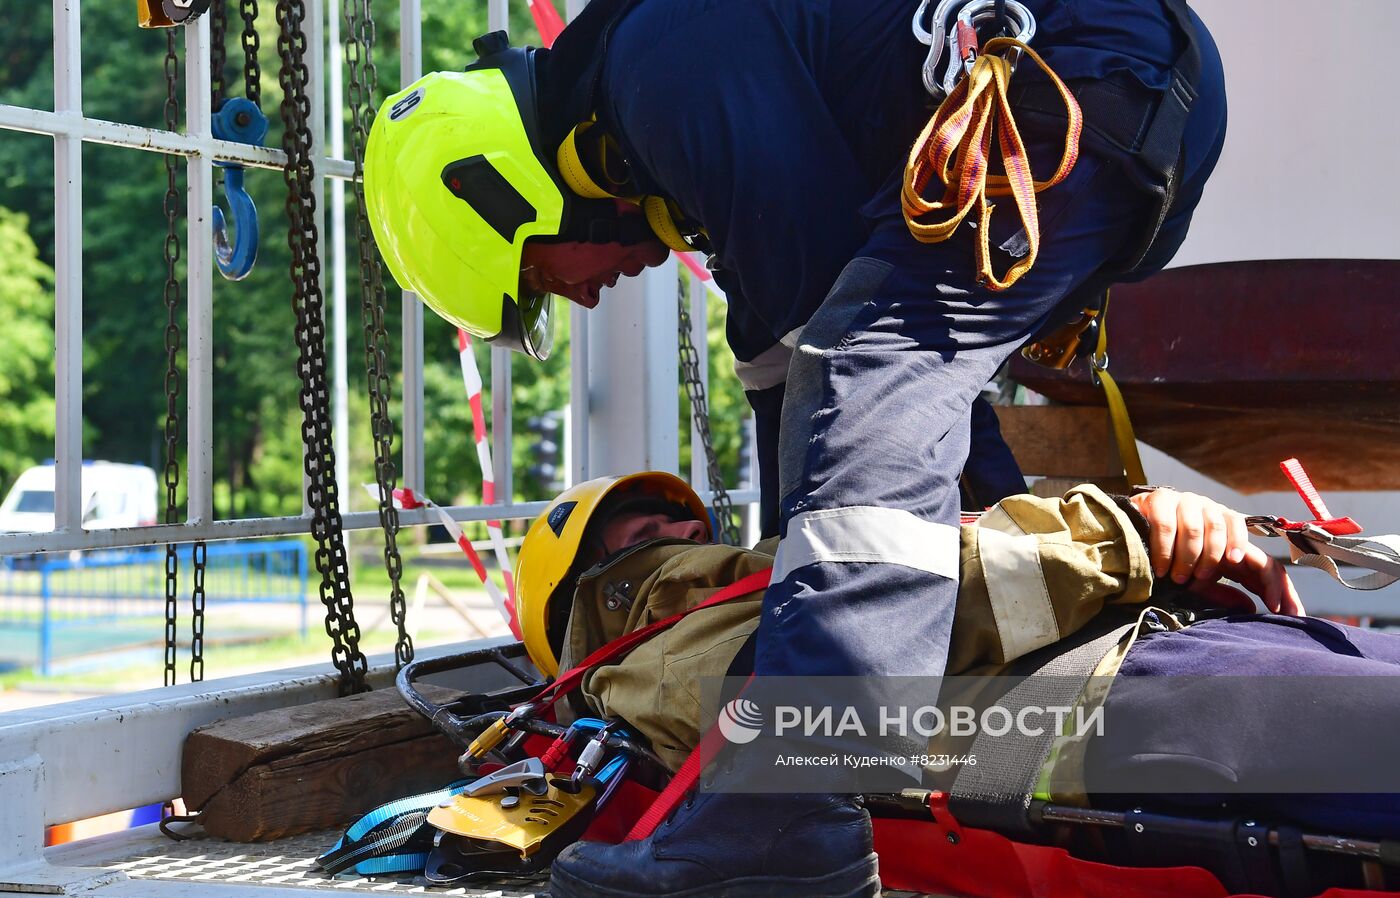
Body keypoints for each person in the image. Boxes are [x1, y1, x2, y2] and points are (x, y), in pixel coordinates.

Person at [364, 1, 1230, 894]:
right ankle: (944, 683)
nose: (580, 299)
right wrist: (805, 614)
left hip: (1091, 78)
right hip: (1123, 84)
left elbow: (852, 361)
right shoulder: (665, 93)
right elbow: (797, 384)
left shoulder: (662, 66)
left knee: (867, 363)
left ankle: (788, 811)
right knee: (872, 369)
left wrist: (767, 711)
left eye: (542, 276)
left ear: (507, 194)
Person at [516, 475, 1400, 858]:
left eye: (681, 526)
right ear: (592, 601)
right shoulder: (657, 661)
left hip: (1165, 658)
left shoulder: (729, 602)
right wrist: (1123, 532)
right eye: (641, 541)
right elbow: (893, 616)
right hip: (1123, 705)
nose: (680, 537)